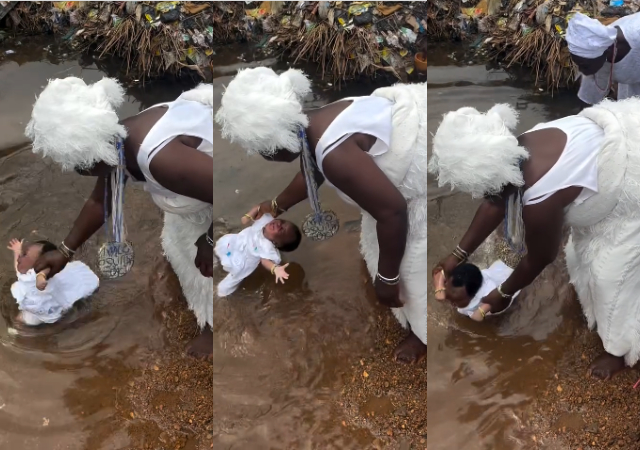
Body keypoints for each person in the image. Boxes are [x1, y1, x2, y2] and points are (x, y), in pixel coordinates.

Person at [215, 67, 428, 363]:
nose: (265, 158)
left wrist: (389, 278)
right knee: (380, 234)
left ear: (275, 143)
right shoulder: (317, 121)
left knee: (410, 261)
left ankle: (422, 334)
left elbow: (393, 212)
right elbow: (312, 170)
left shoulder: (335, 155)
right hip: (413, 119)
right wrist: (274, 205)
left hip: (420, 163)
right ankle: (381, 273)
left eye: (262, 151)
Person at [428, 99, 640, 380]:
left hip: (631, 172)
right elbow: (495, 201)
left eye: (480, 189)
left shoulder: (540, 202)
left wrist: (503, 294)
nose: (480, 196)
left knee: (610, 277)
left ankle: (620, 350)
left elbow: (541, 257)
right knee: (584, 253)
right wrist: (457, 255)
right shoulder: (517, 149)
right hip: (621, 129)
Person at [24, 77, 214, 357]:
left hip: (207, 198)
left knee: (208, 268)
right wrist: (64, 252)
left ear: (91, 158)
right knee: (182, 257)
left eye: (79, 167)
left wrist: (209, 239)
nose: (80, 173)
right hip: (192, 199)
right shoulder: (119, 140)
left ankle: (214, 330)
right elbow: (100, 201)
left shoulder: (161, 160)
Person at [7, 238, 99, 326]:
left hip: (41, 307)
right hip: (34, 300)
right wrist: (17, 251)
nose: (19, 257)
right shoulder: (25, 270)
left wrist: (41, 277)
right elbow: (17, 267)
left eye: (24, 255)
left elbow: (46, 270)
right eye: (22, 254)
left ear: (40, 264)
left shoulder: (41, 271)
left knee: (22, 321)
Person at [215, 206, 301, 297]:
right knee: (219, 249)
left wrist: (275, 269)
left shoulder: (268, 248)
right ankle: (214, 260)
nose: (279, 224)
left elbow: (265, 261)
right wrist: (249, 215)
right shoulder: (265, 220)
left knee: (233, 279)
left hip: (243, 261)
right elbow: (259, 208)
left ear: (276, 243)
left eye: (281, 230)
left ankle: (221, 293)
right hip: (235, 243)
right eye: (283, 222)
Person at [566, 12, 640, 104]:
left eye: (584, 66)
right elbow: (588, 101)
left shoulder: (636, 35)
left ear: (607, 52)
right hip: (632, 84)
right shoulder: (596, 62)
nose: (582, 70)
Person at [434, 261, 518, 321]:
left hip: (506, 279)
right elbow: (439, 273)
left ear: (472, 297)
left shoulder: (487, 294)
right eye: (449, 293)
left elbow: (496, 301)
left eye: (458, 300)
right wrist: (439, 287)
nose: (452, 302)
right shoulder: (455, 279)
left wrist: (481, 311)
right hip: (490, 272)